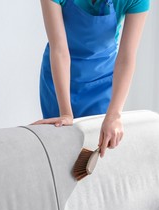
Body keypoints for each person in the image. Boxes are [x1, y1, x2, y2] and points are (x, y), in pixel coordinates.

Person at [33, 0, 149, 157]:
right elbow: (59, 49)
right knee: (60, 148)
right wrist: (66, 113)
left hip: (102, 79)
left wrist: (114, 115)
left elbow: (126, 58)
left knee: (96, 150)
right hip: (60, 79)